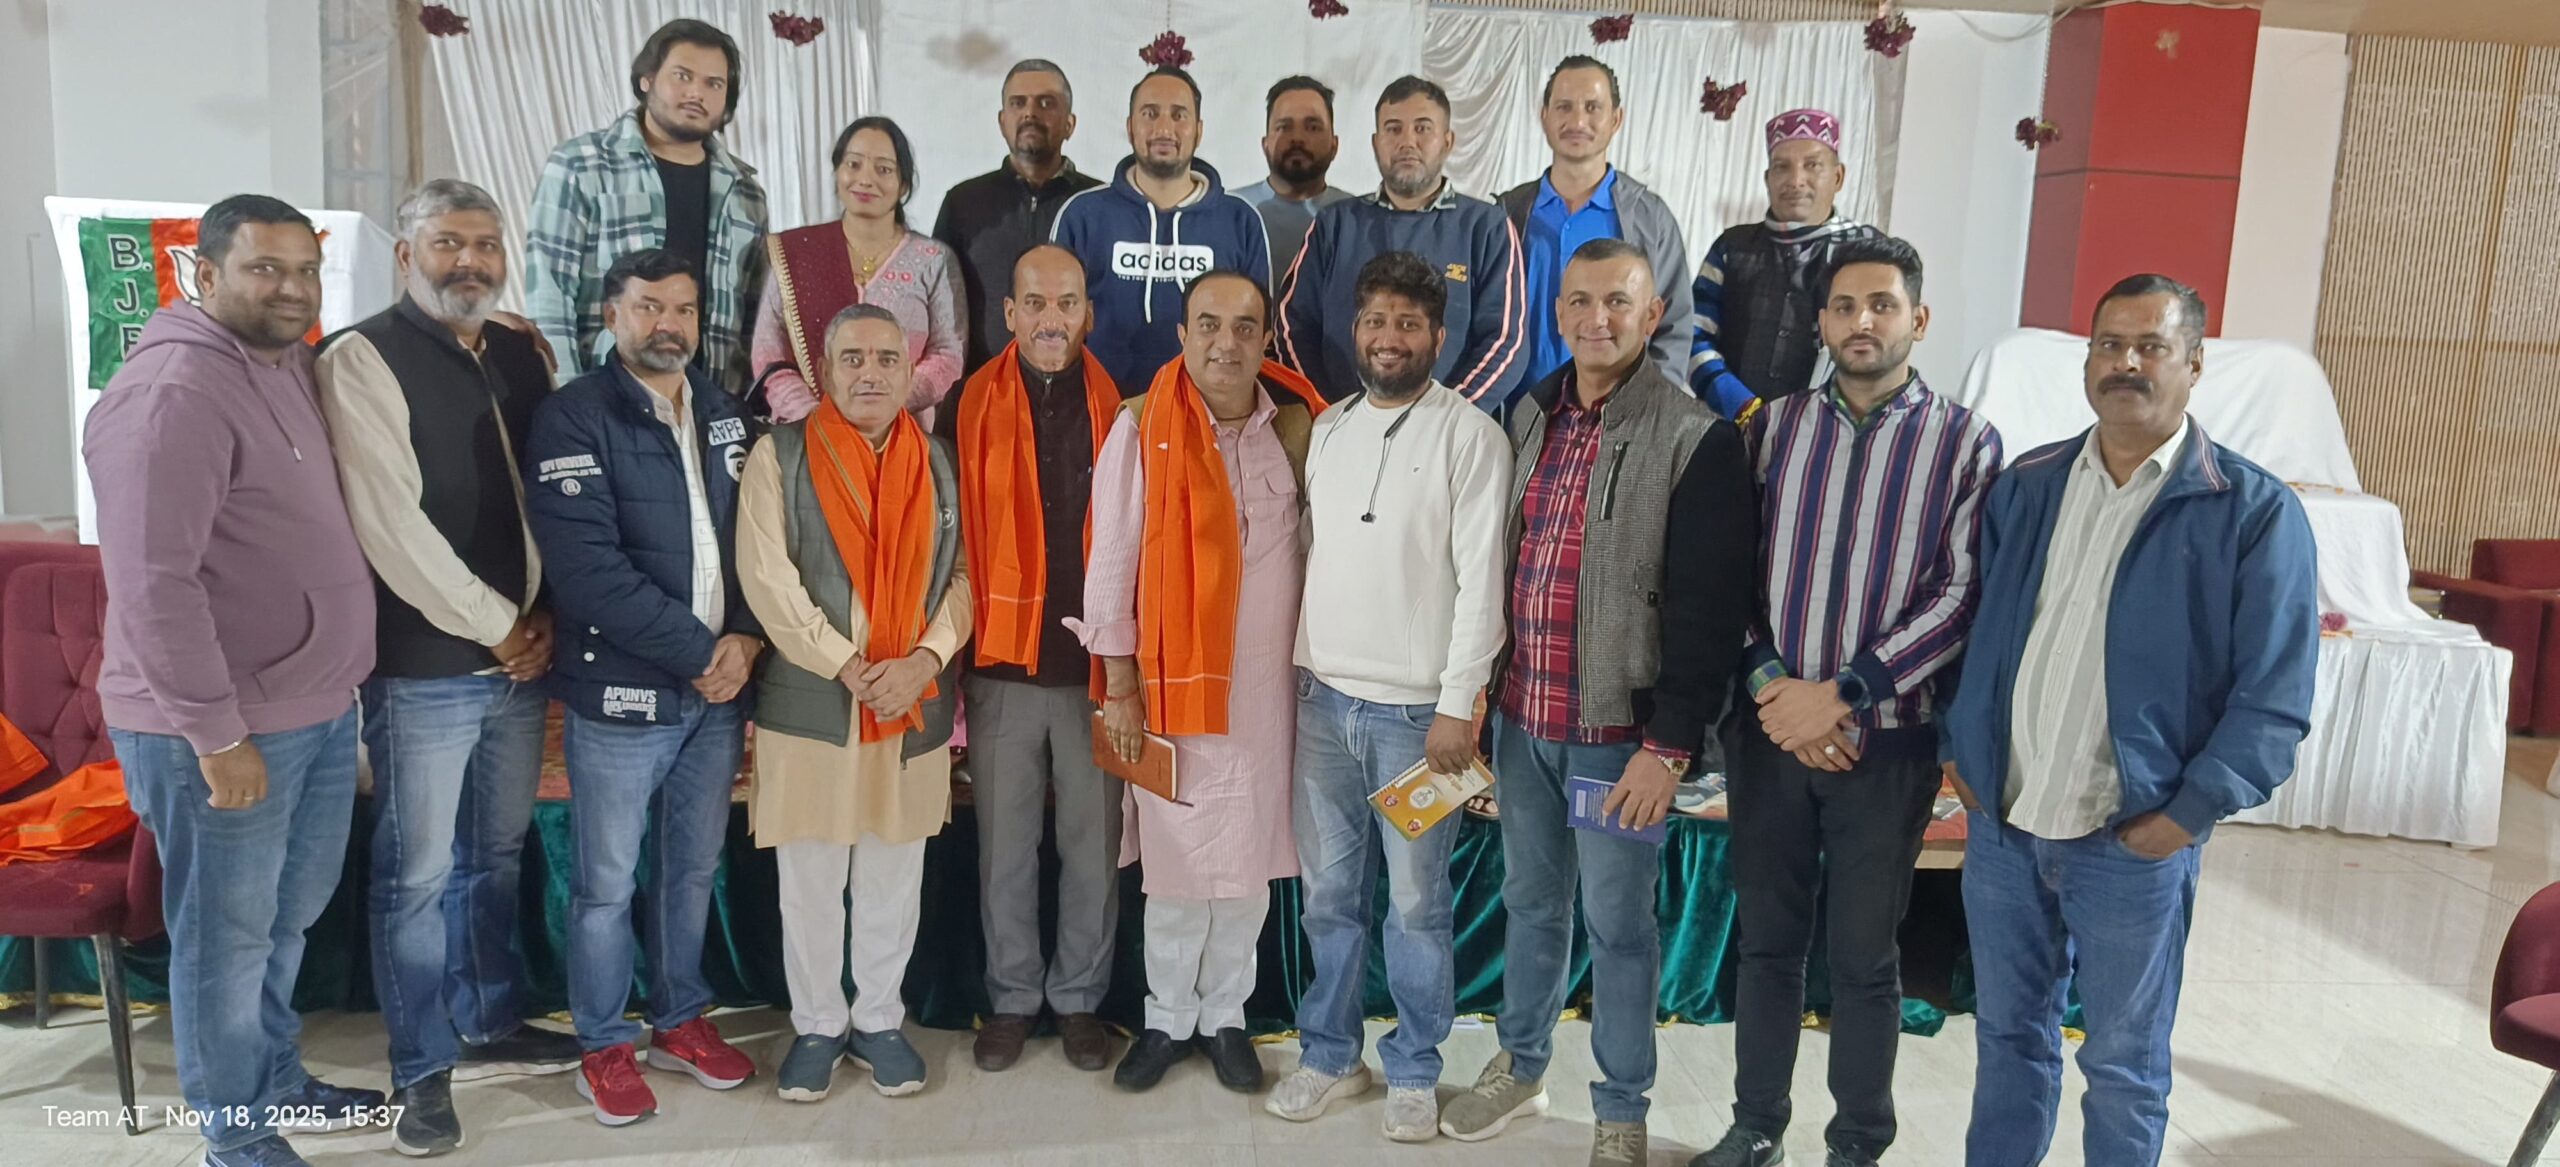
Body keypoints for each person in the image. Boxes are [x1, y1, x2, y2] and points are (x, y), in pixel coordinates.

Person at [1944, 275, 2317, 1167]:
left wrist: (2184, 817)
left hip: (2132, 839)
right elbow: (1975, 631)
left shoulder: (2251, 510)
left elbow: (2275, 698)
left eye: (2152, 346)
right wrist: (1962, 751)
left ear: (2195, 364)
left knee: (2122, 1066)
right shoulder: (2028, 485)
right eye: (2109, 344)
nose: (2127, 364)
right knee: (2007, 1040)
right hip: (2006, 828)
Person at [1437, 238, 1755, 1167]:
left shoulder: (1697, 438)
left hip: (1619, 739)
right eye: (1580, 300)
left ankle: (1621, 1106)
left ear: (1653, 314)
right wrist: (1483, 700)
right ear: (1558, 312)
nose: (1597, 318)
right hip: (1525, 722)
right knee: (1532, 905)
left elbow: (1708, 612)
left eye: (1619, 301)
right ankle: (1521, 1063)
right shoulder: (1528, 414)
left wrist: (1669, 745)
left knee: (1619, 928)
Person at [85, 193, 386, 1167]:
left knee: (283, 923)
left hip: (311, 711)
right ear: (202, 273)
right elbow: (153, 586)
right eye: (265, 268)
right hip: (219, 730)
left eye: (305, 270)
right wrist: (217, 735)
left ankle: (274, 1080)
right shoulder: (170, 395)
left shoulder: (284, 363)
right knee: (225, 939)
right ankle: (235, 1133)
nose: (292, 289)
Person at [1694, 236, 2003, 1167]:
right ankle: (1757, 1125)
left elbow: (1960, 594)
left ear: (1918, 318)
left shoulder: (1965, 441)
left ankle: (1858, 1142)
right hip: (1770, 734)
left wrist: (1843, 695)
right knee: (1768, 946)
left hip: (1886, 741)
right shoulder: (1771, 428)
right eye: (1843, 306)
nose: (1861, 321)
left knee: (1866, 957)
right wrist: (1773, 689)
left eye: (1881, 304)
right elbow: (1730, 570)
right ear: (1821, 323)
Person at [313, 179, 582, 1158]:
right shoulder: (359, 357)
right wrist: (497, 626)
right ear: (404, 256)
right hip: (427, 664)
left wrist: (544, 616)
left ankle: (488, 1015)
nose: (469, 261)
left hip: (525, 655)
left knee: (494, 855)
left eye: (484, 244)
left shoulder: (515, 351)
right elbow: (390, 525)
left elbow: (547, 487)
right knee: (416, 874)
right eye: (446, 243)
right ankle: (420, 1068)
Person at [1265, 251, 1510, 1142]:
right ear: (1355, 330)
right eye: (1376, 321)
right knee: (1330, 896)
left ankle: (1413, 1067)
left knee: (1415, 905)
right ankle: (1332, 1052)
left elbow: (1482, 584)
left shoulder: (1471, 437)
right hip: (1323, 703)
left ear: (1438, 336)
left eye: (1409, 323)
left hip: (1418, 720)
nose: (1389, 337)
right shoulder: (1328, 428)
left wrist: (1458, 704)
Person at [524, 248, 766, 1127]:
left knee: (691, 868)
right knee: (604, 881)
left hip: (719, 693)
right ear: (611, 315)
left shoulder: (727, 413)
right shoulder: (572, 417)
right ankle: (602, 1040)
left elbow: (762, 540)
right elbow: (587, 571)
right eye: (650, 307)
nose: (670, 324)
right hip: (625, 693)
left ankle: (679, 1017)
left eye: (684, 309)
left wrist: (747, 636)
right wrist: (702, 651)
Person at [1071, 271, 1323, 1094]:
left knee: (1247, 864)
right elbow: (1111, 561)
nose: (1226, 342)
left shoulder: (1297, 425)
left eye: (1245, 327)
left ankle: (1225, 1016)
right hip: (1170, 690)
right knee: (1177, 869)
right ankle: (1167, 1017)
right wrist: (1120, 684)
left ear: (1265, 341)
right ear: (1182, 336)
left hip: (1268, 696)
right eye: (1208, 324)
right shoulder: (1141, 424)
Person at [738, 303, 973, 1104]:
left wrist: (925, 659)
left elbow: (965, 578)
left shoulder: (938, 460)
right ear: (824, 371)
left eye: (886, 359)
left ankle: (877, 1019)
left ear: (909, 373)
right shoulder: (779, 455)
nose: (870, 373)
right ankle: (816, 1025)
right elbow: (768, 578)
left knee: (892, 872)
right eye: (852, 359)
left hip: (910, 702)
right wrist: (846, 663)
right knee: (809, 877)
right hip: (813, 703)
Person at [950, 245, 1123, 1075]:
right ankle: (1014, 997)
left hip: (1096, 669)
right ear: (1010, 313)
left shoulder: (1123, 408)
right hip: (1002, 664)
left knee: (1093, 847)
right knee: (1005, 850)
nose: (1052, 319)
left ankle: (1081, 998)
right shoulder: (968, 405)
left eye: (1067, 303)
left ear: (1088, 313)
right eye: (1036, 303)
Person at [527, 19, 768, 392]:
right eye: (682, 76)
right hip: (604, 394)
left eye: (714, 84)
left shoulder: (746, 192)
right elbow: (550, 292)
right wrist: (567, 396)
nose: (696, 93)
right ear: (647, 79)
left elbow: (754, 317)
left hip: (712, 399)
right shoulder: (582, 164)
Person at [1279, 75, 1525, 412]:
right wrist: (1331, 412)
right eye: (1393, 129)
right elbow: (1292, 327)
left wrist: (1443, 418)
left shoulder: (1487, 227)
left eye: (1422, 128)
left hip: (1449, 431)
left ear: (1448, 141)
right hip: (1341, 425)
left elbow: (1506, 341)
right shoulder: (1334, 225)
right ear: (1375, 142)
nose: (1407, 142)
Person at [1050, 66, 1273, 394]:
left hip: (1207, 411)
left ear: (1198, 130)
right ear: (1130, 127)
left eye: (1179, 115)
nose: (1164, 128)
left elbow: (1258, 336)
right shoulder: (1083, 215)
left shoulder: (1240, 220)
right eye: (1150, 113)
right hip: (1102, 408)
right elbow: (1055, 328)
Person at [750, 116, 966, 426]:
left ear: (904, 184)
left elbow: (948, 354)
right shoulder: (796, 252)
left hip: (902, 433)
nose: (865, 179)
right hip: (809, 432)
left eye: (883, 169)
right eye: (853, 164)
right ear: (837, 172)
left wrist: (883, 404)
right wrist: (815, 416)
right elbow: (769, 354)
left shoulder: (932, 259)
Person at [1497, 55, 1691, 389]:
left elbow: (1674, 327)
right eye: (1564, 107)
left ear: (1616, 119)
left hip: (1617, 412)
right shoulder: (1507, 213)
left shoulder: (1649, 218)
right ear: (1544, 116)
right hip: (1517, 409)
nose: (1577, 120)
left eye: (1592, 107)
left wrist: (1649, 406)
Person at [1688, 108, 1878, 420]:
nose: (1795, 180)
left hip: (1833, 430)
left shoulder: (1869, 253)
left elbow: (1878, 346)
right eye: (1781, 167)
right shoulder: (1732, 247)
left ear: (1838, 177)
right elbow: (1694, 336)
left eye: (1812, 165)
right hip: (1728, 427)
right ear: (1767, 179)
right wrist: (1742, 407)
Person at [934, 59, 1102, 376]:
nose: (1030, 113)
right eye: (1018, 103)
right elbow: (940, 308)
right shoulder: (963, 202)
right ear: (1002, 122)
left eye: (1046, 103)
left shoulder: (1098, 204)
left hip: (1080, 389)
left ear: (1070, 123)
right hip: (981, 388)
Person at [1236, 76, 1351, 279]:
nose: (1297, 138)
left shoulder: (1355, 219)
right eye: (1284, 127)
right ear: (1265, 144)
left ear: (1334, 145)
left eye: (1312, 127)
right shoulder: (1232, 211)